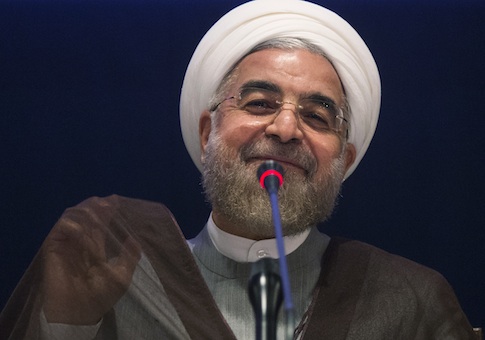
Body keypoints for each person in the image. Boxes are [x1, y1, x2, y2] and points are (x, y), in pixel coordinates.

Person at [0, 0, 476, 339]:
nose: (287, 128)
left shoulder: (409, 299)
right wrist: (66, 323)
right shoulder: (116, 283)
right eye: (260, 102)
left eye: (316, 116)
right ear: (208, 132)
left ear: (344, 160)